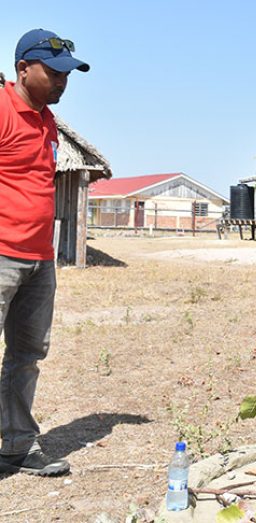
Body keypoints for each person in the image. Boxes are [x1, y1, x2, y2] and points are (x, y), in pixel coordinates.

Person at [0, 29, 89, 477]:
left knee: (26, 356)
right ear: (22, 69)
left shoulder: (48, 121)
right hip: (1, 255)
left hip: (39, 260)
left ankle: (16, 447)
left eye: (66, 75)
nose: (61, 82)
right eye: (53, 72)